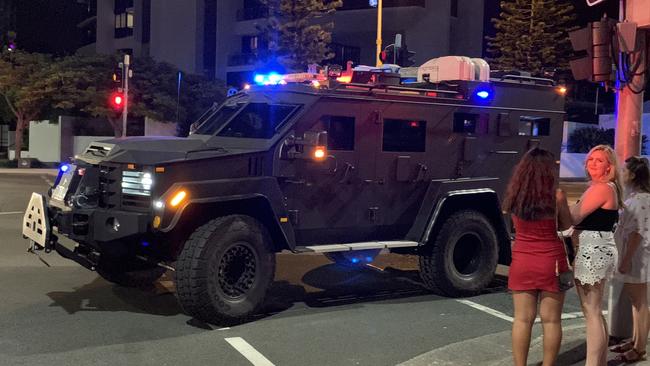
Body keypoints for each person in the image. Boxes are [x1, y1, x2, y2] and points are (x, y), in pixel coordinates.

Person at [503, 147, 572, 366]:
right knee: (551, 321)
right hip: (551, 261)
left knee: (522, 319)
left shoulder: (515, 197)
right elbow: (567, 226)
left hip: (522, 260)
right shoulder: (557, 196)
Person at [571, 144, 622, 366]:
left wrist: (563, 205)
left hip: (592, 249)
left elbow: (574, 216)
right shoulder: (607, 188)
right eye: (590, 159)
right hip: (599, 248)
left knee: (591, 312)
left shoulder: (601, 188)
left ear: (609, 167)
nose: (592, 163)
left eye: (599, 160)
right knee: (596, 311)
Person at [609, 156, 650, 362]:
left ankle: (640, 347)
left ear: (633, 175)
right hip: (635, 256)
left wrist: (625, 260)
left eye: (625, 171)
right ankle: (635, 340)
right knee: (636, 302)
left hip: (637, 258)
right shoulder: (637, 197)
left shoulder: (640, 200)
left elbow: (637, 233)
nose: (622, 174)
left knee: (640, 302)